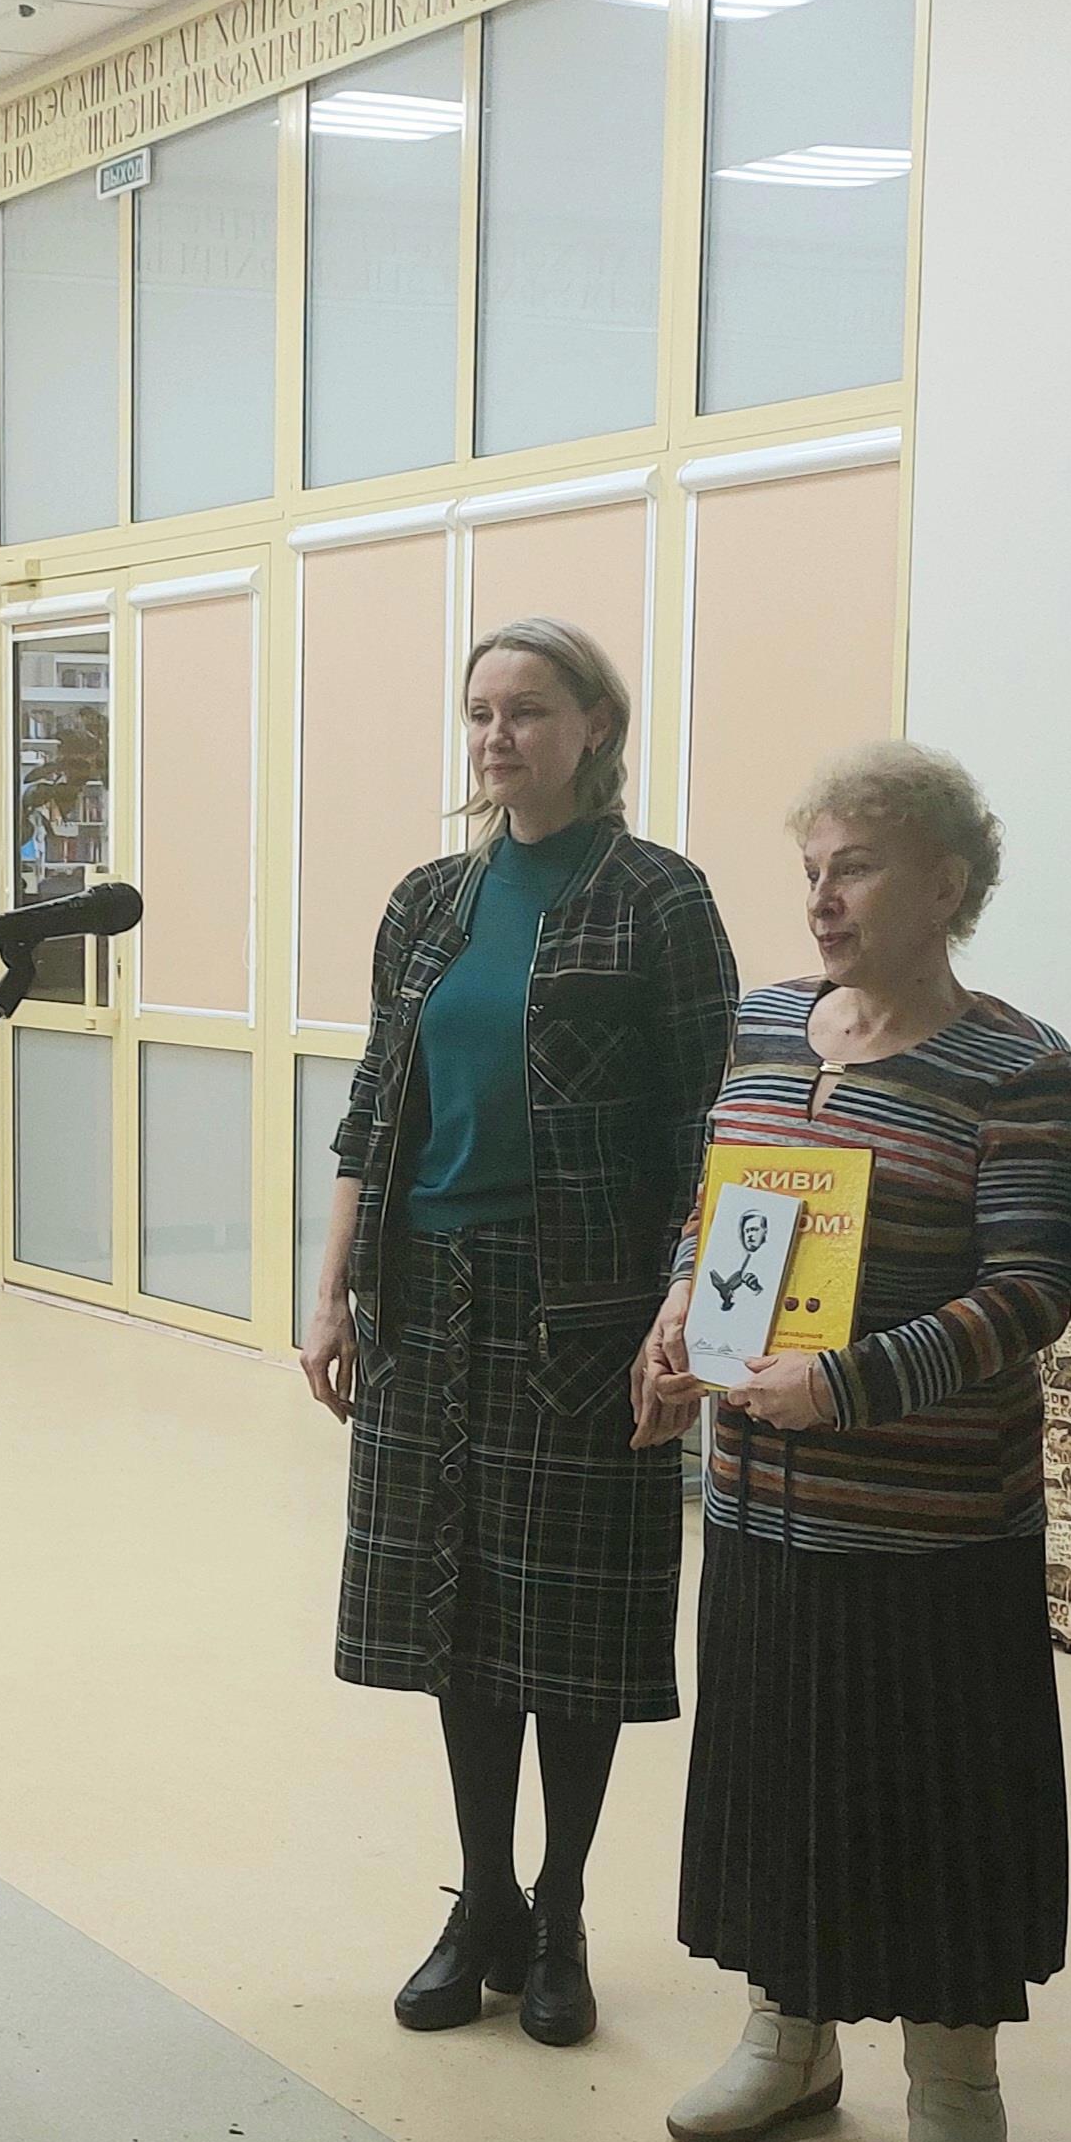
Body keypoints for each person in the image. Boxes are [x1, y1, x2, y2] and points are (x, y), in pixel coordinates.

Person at [630, 745, 1071, 2142]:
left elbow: (1029, 1292)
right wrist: (677, 1316)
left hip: (929, 1523)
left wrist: (850, 1382)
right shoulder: (767, 1024)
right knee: (776, 1772)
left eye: (857, 868)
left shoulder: (1012, 1066)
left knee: (933, 1798)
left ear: (946, 886)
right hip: (759, 1501)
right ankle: (787, 2039)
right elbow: (719, 1208)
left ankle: (953, 2084)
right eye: (812, 869)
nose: (822, 897)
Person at [302, 618, 738, 2048]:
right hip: (429, 1300)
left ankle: (560, 1911)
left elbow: (711, 1122)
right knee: (458, 1619)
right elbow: (375, 1101)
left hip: (585, 1312)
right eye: (482, 713)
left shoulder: (657, 897)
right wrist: (331, 1287)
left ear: (595, 727)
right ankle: (481, 1897)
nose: (499, 737)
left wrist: (682, 1307)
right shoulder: (430, 901)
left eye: (529, 711)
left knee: (572, 1628)